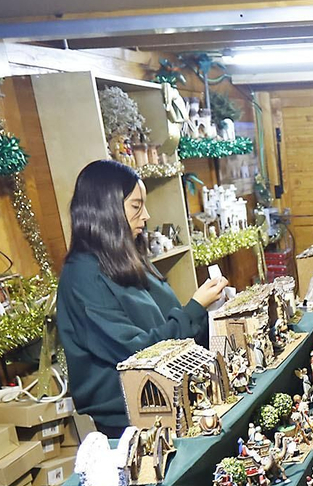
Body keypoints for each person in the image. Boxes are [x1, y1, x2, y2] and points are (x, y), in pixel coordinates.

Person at [56, 160, 229, 437]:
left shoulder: (125, 259)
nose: (146, 215)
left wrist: (213, 312)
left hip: (167, 395)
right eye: (136, 206)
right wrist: (195, 309)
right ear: (106, 209)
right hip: (131, 416)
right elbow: (135, 352)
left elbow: (165, 328)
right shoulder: (82, 276)